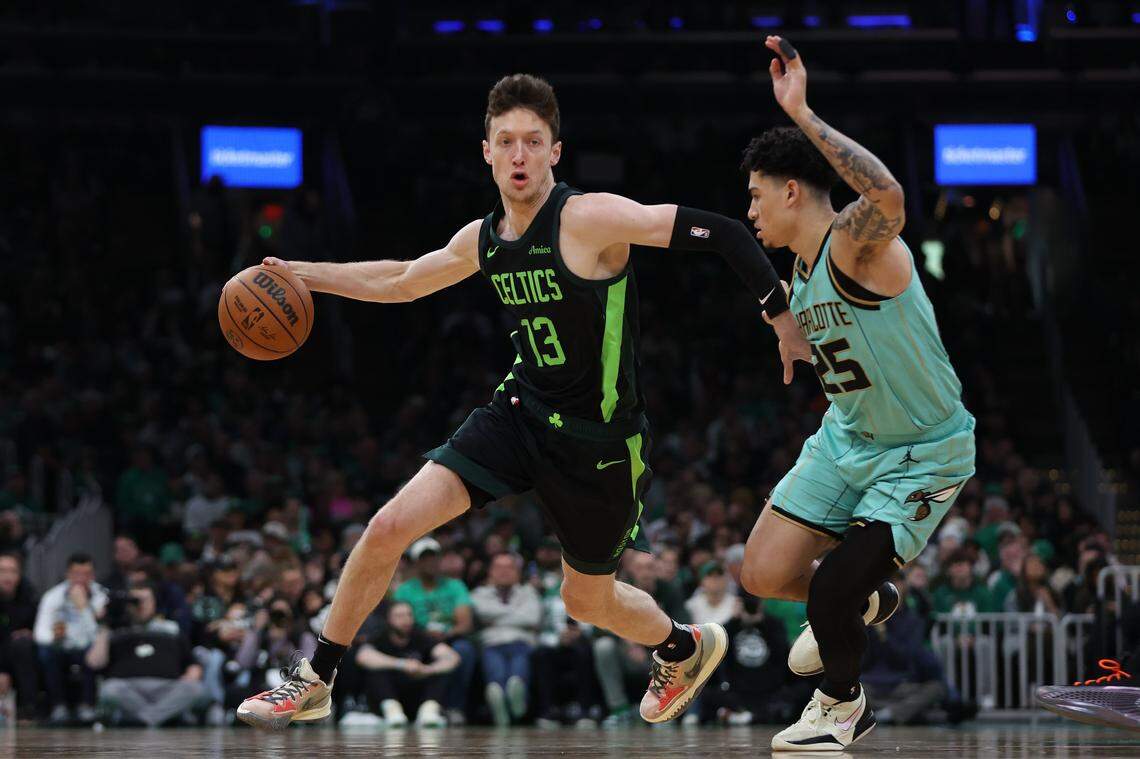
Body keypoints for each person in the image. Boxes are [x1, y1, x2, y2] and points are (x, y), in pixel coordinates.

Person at [239, 70, 809, 729]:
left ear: (555, 152)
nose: (518, 155)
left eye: (532, 141)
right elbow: (399, 279)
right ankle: (316, 677)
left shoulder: (590, 218)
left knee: (586, 600)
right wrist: (302, 276)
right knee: (388, 525)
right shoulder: (484, 238)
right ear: (485, 150)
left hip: (598, 441)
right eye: (505, 141)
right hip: (520, 412)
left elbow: (727, 234)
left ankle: (683, 646)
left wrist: (780, 313)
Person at [738, 37, 976, 751]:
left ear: (789, 190)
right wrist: (776, 313)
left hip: (922, 449)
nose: (749, 211)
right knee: (763, 571)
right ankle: (863, 596)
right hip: (848, 438)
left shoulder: (853, 245)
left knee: (827, 592)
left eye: (755, 195)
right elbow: (761, 277)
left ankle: (842, 704)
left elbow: (889, 196)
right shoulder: (803, 272)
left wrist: (803, 114)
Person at [87, 582, 206, 726]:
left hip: (168, 688)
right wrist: (105, 624)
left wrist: (193, 673)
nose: (140, 605)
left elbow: (192, 663)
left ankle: (144, 720)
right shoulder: (116, 631)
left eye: (145, 600)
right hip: (128, 688)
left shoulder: (170, 630)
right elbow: (94, 663)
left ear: (155, 602)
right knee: (110, 689)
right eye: (136, 601)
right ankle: (157, 719)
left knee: (196, 689)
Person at [391, 537, 476, 724]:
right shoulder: (404, 590)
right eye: (425, 558)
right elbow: (398, 621)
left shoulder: (455, 585)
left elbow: (465, 623)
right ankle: (415, 709)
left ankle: (455, 708)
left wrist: (446, 634)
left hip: (449, 637)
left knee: (465, 650)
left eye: (434, 557)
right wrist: (423, 635)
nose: (431, 562)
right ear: (416, 563)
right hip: (418, 639)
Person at [354, 601, 458, 728]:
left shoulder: (419, 635)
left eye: (409, 615)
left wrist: (427, 670)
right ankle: (393, 712)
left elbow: (452, 657)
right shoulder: (380, 636)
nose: (406, 620)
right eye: (399, 616)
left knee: (440, 671)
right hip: (388, 696)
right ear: (388, 619)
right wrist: (401, 664)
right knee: (375, 671)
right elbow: (363, 657)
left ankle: (429, 712)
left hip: (417, 695)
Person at [33, 552, 107, 724]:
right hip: (61, 647)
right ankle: (58, 706)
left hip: (88, 647)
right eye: (76, 574)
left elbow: (98, 635)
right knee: (46, 653)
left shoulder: (102, 596)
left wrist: (83, 608)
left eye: (86, 574)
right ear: (68, 574)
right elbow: (40, 632)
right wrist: (55, 638)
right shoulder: (52, 596)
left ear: (93, 575)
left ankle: (87, 705)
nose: (81, 579)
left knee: (94, 650)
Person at [470, 552, 542, 726]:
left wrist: (494, 620)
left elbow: (532, 618)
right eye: (498, 567)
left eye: (509, 567)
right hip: (491, 644)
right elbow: (482, 612)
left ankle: (513, 697)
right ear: (490, 572)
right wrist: (516, 615)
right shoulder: (479, 593)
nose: (504, 572)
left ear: (517, 572)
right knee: (496, 668)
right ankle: (501, 699)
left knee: (518, 669)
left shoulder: (528, 592)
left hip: (521, 643)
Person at [0, 552, 40, 719]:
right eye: (2, 571)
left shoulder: (30, 597)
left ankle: (28, 709)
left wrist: (32, 634)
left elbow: (42, 632)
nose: (8, 576)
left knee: (23, 644)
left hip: (20, 656)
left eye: (13, 571)